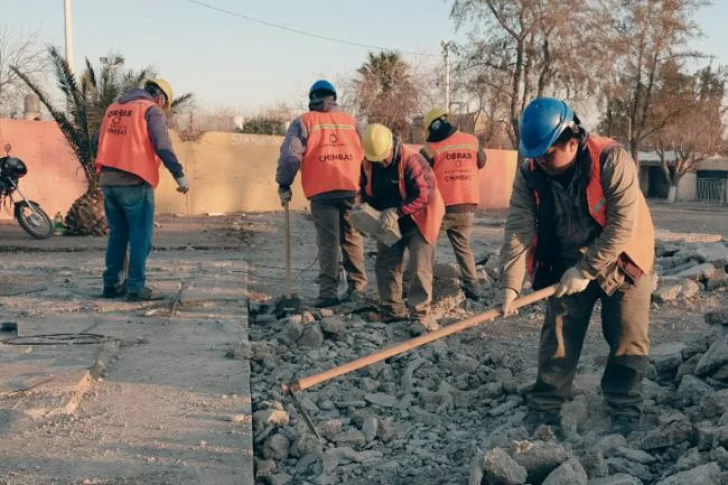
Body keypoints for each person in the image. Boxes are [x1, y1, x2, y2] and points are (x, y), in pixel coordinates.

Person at [498, 97, 655, 433]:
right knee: (558, 331)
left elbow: (622, 225)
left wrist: (586, 270)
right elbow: (518, 226)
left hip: (624, 256)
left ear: (572, 140)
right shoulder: (530, 172)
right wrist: (510, 284)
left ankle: (624, 406)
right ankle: (547, 403)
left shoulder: (611, 158)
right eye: (535, 153)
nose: (540, 160)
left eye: (548, 152)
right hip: (568, 256)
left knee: (627, 333)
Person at [95, 78, 189, 302]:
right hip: (135, 182)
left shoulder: (113, 108)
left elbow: (96, 141)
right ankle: (136, 287)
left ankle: (111, 284)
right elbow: (162, 144)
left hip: (108, 181)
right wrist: (179, 175)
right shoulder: (151, 110)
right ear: (161, 97)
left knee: (117, 235)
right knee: (140, 236)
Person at [276, 80, 368, 308]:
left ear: (312, 99)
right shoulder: (351, 122)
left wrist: (284, 183)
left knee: (328, 242)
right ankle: (358, 289)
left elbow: (290, 157)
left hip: (322, 192)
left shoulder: (304, 121)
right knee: (352, 238)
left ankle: (328, 293)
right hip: (352, 188)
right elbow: (368, 153)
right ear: (334, 97)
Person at [360, 123, 445, 333]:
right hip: (388, 222)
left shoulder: (412, 160)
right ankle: (392, 309)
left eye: (383, 157)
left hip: (419, 218)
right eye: (375, 158)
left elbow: (424, 194)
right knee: (386, 263)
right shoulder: (368, 164)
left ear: (392, 146)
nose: (380, 161)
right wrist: (362, 216)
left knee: (419, 266)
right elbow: (363, 191)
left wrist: (396, 212)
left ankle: (419, 314)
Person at [420, 108, 487, 299]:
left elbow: (419, 174)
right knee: (463, 245)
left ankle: (421, 285)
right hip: (468, 204)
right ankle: (472, 286)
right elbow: (482, 162)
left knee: (426, 243)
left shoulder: (430, 148)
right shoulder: (472, 141)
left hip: (444, 206)